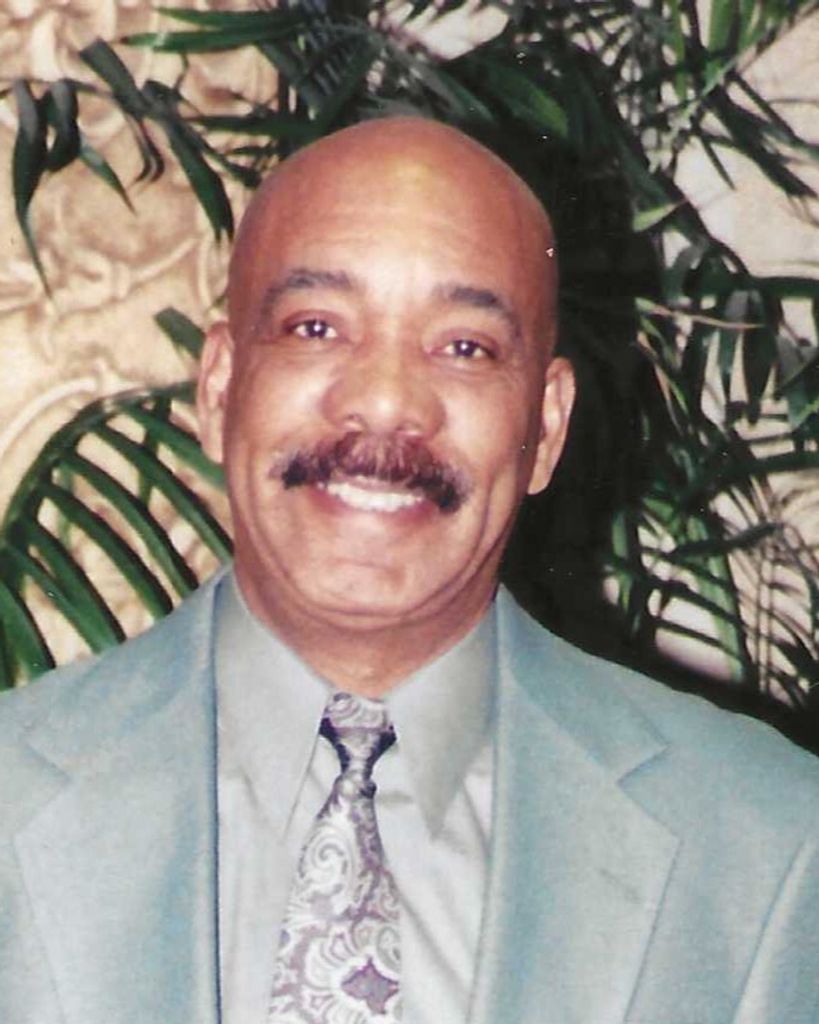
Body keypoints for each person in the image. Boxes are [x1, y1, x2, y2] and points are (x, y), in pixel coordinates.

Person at [1, 117, 818, 1024]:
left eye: (464, 347)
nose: (386, 402)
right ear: (220, 388)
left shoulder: (767, 847)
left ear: (545, 428)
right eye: (316, 327)